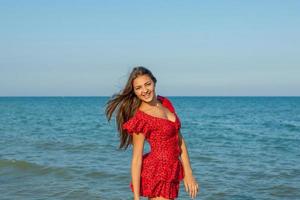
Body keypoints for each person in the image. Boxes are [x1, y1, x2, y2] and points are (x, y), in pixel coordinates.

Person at [105, 66, 199, 200]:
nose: (144, 91)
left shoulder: (166, 103)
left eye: (147, 84)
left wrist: (188, 173)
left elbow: (179, 140)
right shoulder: (141, 118)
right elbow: (137, 159)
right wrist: (136, 198)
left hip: (172, 171)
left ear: (154, 82)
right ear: (135, 92)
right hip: (157, 173)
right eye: (138, 88)